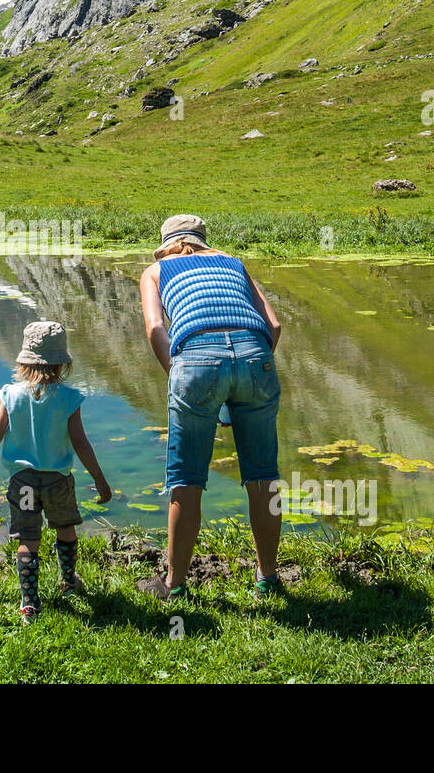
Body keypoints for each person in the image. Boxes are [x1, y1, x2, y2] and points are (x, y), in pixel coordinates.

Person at [136, 214, 284, 600]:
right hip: (256, 355)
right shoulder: (234, 263)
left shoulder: (155, 271)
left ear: (166, 243)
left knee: (186, 477)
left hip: (196, 361)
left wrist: (178, 372)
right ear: (203, 241)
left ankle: (175, 585)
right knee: (264, 474)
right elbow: (275, 325)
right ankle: (267, 579)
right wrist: (248, 374)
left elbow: (155, 329)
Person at [0, 320, 112, 620]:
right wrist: (99, 479)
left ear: (24, 360)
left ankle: (29, 600)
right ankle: (68, 581)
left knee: (28, 538)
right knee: (65, 528)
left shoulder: (10, 395)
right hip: (58, 481)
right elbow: (80, 441)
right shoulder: (69, 398)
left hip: (22, 482)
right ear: (62, 364)